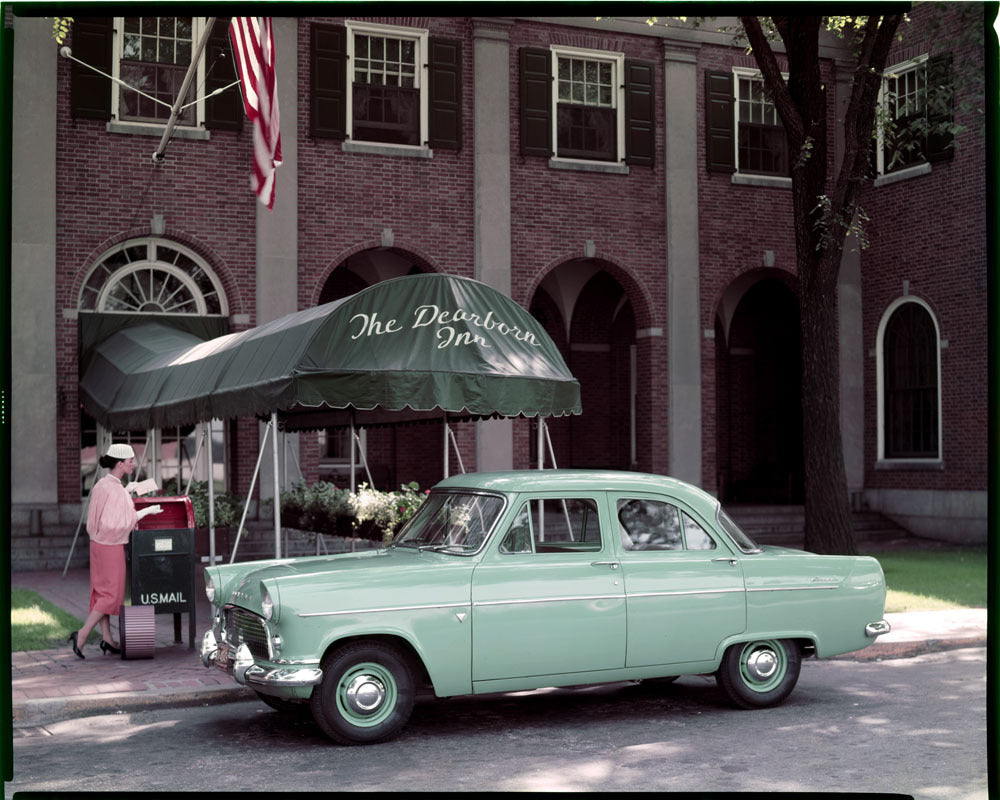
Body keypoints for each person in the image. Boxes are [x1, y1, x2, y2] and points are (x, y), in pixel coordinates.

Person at [68, 443, 162, 659]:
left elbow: (108, 506)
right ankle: (82, 634)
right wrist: (148, 510)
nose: (133, 464)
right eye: (130, 461)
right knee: (111, 596)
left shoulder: (102, 485)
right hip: (111, 547)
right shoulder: (117, 490)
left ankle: (107, 639)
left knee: (101, 593)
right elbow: (123, 521)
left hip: (97, 545)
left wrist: (127, 490)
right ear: (120, 464)